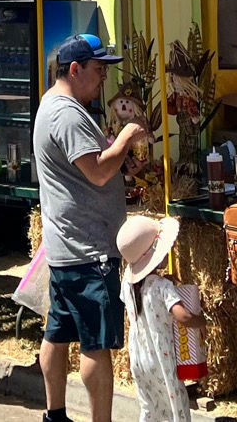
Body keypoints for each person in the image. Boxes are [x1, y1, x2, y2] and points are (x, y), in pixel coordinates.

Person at [35, 33, 149, 422]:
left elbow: (93, 164)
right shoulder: (66, 113)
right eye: (99, 70)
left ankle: (55, 413)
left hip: (68, 244)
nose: (104, 78)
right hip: (88, 247)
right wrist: (128, 137)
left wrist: (122, 161)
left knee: (58, 332)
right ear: (74, 69)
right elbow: (98, 171)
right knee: (95, 345)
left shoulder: (56, 105)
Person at [117, 215, 204, 422]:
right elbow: (182, 316)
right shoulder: (162, 287)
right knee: (175, 403)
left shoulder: (127, 285)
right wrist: (200, 320)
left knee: (150, 405)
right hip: (161, 357)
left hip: (139, 357)